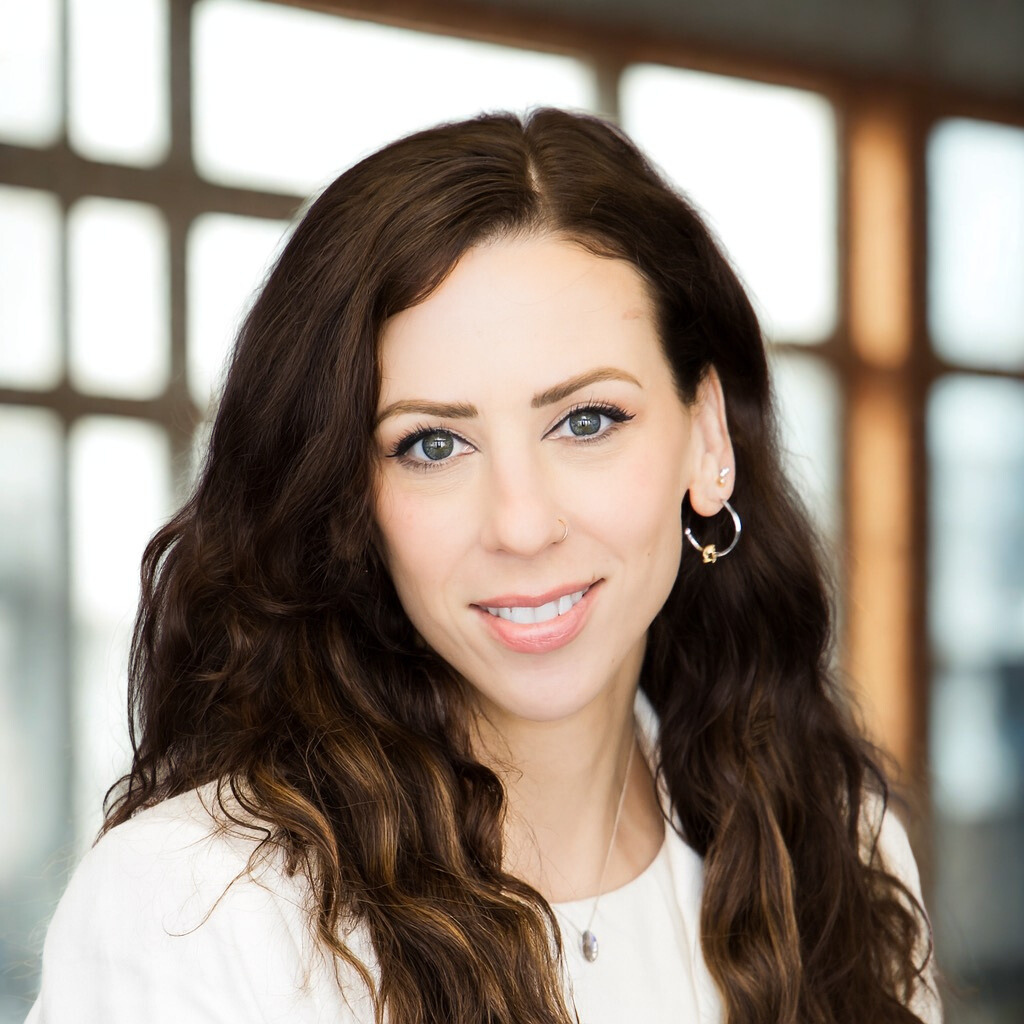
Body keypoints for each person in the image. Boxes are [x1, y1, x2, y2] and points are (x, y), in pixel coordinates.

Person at [27, 108, 940, 1024]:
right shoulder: (201, 909)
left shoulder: (841, 857)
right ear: (349, 494)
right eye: (431, 443)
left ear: (707, 436)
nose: (522, 523)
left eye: (587, 421)